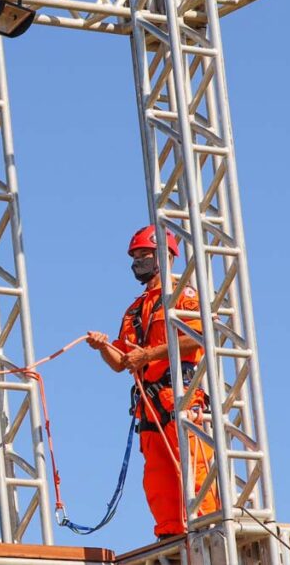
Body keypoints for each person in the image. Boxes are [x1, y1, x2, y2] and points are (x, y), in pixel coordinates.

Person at [85, 225, 218, 539]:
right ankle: (171, 534)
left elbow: (199, 337)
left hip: (180, 396)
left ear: (164, 256)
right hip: (149, 407)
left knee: (194, 468)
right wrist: (104, 346)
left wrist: (148, 354)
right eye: (135, 256)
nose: (137, 261)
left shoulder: (182, 296)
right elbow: (121, 363)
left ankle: (209, 527)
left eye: (144, 255)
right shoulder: (134, 310)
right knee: (158, 478)